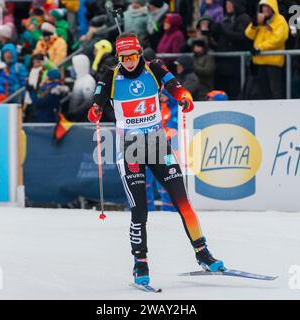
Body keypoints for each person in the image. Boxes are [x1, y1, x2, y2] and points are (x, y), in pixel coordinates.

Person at [87, 33, 225, 286]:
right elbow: (98, 98)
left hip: (158, 143)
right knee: (140, 210)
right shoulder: (110, 75)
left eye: (132, 56)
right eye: (123, 57)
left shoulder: (154, 67)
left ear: (139, 54)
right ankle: (140, 264)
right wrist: (96, 109)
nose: (129, 62)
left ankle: (203, 253)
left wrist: (183, 96)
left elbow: (174, 85)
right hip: (130, 147)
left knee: (183, 202)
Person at [245, 0, 289, 99]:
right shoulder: (260, 20)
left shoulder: (280, 20)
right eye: (263, 7)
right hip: (260, 62)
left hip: (273, 63)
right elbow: (248, 34)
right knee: (262, 93)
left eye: (268, 6)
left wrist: (259, 48)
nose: (265, 9)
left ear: (273, 8)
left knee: (275, 92)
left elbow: (278, 39)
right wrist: (254, 24)